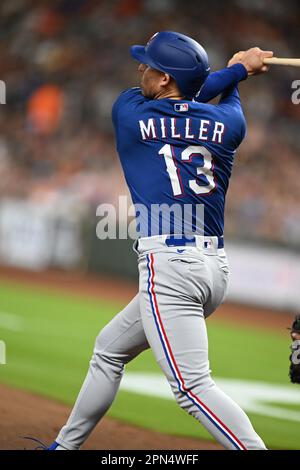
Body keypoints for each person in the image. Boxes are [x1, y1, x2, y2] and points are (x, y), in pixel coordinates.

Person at [46, 32, 273, 450]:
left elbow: (195, 93)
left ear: (166, 78)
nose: (140, 69)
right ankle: (64, 446)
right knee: (108, 350)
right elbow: (200, 94)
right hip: (213, 271)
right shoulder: (231, 123)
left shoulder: (129, 113)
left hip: (170, 267)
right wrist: (241, 72)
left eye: (148, 65)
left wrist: (238, 68)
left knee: (191, 388)